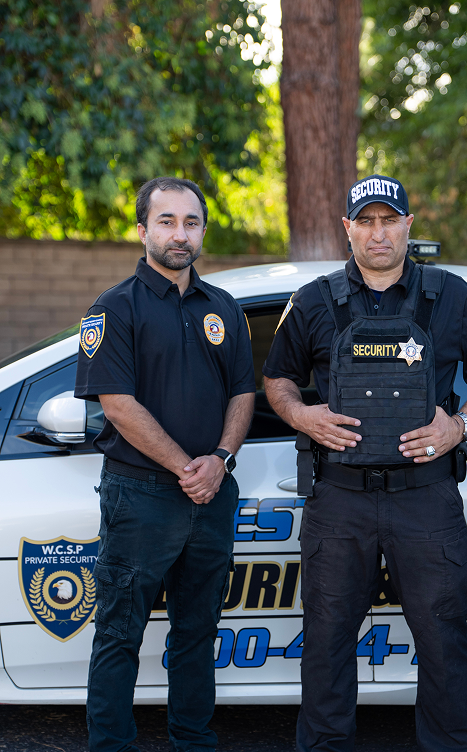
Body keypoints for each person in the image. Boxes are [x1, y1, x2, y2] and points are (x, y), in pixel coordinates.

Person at [263, 174, 467, 752]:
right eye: (366, 221)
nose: (379, 232)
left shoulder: (451, 295)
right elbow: (277, 378)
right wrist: (301, 416)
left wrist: (462, 425)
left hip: (427, 498)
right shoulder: (314, 300)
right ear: (347, 228)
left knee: (444, 642)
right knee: (326, 642)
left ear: (408, 225)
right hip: (340, 498)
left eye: (389, 219)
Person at [75, 177, 256, 752]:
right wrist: (189, 467)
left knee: (198, 632)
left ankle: (193, 739)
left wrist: (221, 460)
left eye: (191, 223)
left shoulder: (223, 308)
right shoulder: (112, 309)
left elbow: (243, 394)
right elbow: (118, 405)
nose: (180, 235)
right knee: (119, 633)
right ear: (142, 230)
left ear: (202, 230)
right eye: (167, 221)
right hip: (141, 496)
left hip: (211, 495)